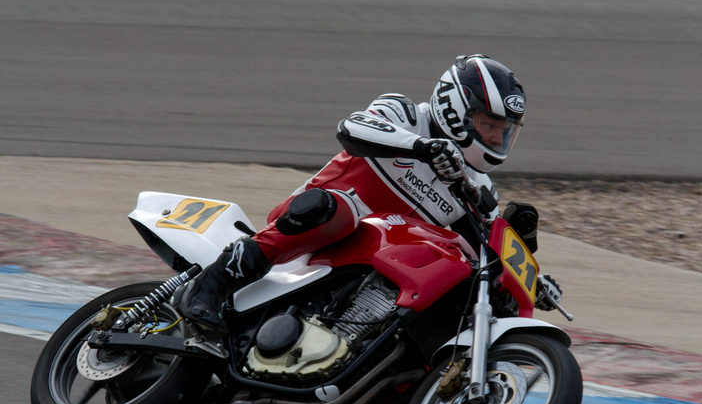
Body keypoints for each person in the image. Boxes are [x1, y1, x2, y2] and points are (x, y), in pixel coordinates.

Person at [175, 54, 539, 335]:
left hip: (370, 266)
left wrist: (532, 279)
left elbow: (484, 253)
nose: (495, 139)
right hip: (314, 229)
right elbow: (351, 128)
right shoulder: (404, 113)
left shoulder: (478, 188)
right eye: (488, 125)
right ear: (454, 108)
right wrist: (421, 147)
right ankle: (212, 284)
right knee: (342, 210)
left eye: (504, 131)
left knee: (462, 281)